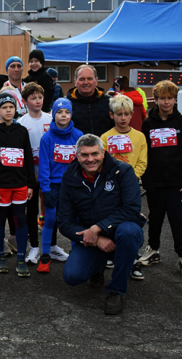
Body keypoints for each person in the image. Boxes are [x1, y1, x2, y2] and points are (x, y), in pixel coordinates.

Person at [59, 134, 146, 315]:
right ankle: (96, 268)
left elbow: (132, 210)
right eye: (84, 155)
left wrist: (98, 228)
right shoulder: (69, 177)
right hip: (91, 237)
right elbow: (65, 222)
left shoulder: (123, 171)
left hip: (119, 231)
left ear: (103, 153)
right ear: (77, 156)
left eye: (94, 154)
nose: (90, 159)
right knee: (72, 276)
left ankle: (116, 290)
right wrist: (96, 239)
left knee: (129, 232)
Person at [139, 80, 182, 276]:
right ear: (156, 99)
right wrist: (148, 181)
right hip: (156, 183)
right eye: (162, 98)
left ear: (175, 99)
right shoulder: (148, 123)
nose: (166, 102)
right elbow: (143, 153)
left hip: (177, 183)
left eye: (170, 98)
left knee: (180, 220)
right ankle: (153, 249)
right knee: (155, 218)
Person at [0, 91, 36, 276]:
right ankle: (0, 256)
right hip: (0, 186)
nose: (8, 111)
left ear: (16, 109)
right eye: (4, 107)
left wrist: (31, 184)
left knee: (21, 219)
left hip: (20, 184)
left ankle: (21, 258)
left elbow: (28, 158)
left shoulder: (21, 131)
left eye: (11, 107)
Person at [101, 94, 148, 278]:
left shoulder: (139, 137)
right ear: (112, 115)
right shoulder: (105, 137)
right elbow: (101, 163)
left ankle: (133, 258)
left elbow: (142, 163)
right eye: (118, 114)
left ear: (131, 115)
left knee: (131, 222)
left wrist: (129, 178)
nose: (122, 117)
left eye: (126, 114)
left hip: (131, 187)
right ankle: (111, 254)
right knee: (111, 219)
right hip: (111, 187)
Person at [38, 98, 81, 272]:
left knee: (75, 220)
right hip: (54, 186)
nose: (64, 115)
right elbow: (44, 165)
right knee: (50, 219)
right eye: (60, 112)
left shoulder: (78, 135)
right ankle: (45, 255)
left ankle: (77, 254)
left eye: (67, 112)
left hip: (73, 186)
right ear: (53, 114)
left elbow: (83, 163)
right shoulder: (47, 138)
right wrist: (45, 189)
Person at [18, 83, 53, 265]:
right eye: (33, 98)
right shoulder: (21, 123)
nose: (38, 101)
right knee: (31, 211)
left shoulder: (51, 119)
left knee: (50, 209)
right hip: (30, 174)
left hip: (49, 173)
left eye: (40, 97)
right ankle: (34, 246)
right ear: (25, 101)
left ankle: (51, 246)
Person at [67, 64, 113, 136]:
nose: (86, 82)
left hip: (103, 146)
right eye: (82, 79)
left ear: (96, 80)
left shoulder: (109, 102)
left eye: (90, 79)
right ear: (75, 82)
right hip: (76, 146)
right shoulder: (67, 104)